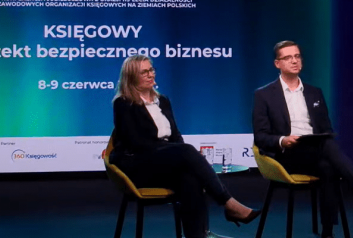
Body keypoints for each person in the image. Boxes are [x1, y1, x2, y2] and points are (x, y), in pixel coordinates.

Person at [252, 40, 353, 238]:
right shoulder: (264, 95)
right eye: (288, 57)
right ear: (277, 63)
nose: (294, 61)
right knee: (327, 146)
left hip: (315, 151)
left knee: (328, 166)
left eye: (297, 56)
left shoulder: (314, 92)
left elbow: (326, 128)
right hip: (286, 155)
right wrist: (283, 140)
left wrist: (319, 139)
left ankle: (328, 232)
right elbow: (261, 136)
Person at [109, 55, 261, 238]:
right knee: (186, 150)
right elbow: (136, 143)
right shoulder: (123, 103)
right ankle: (229, 203)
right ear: (132, 77)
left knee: (190, 178)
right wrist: (174, 153)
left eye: (151, 69)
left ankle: (196, 235)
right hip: (138, 165)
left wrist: (180, 156)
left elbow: (175, 135)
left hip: (163, 163)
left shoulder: (162, 100)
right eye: (144, 72)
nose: (150, 74)